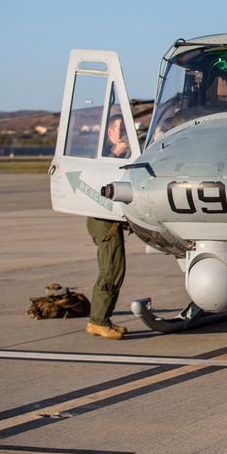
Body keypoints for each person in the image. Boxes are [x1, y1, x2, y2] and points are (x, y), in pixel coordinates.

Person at [86, 111, 132, 340]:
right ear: (110, 132)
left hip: (110, 220)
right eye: (121, 130)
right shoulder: (104, 157)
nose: (124, 134)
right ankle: (98, 321)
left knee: (114, 268)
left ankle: (101, 319)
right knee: (111, 269)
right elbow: (97, 181)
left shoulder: (125, 154)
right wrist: (115, 154)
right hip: (102, 221)